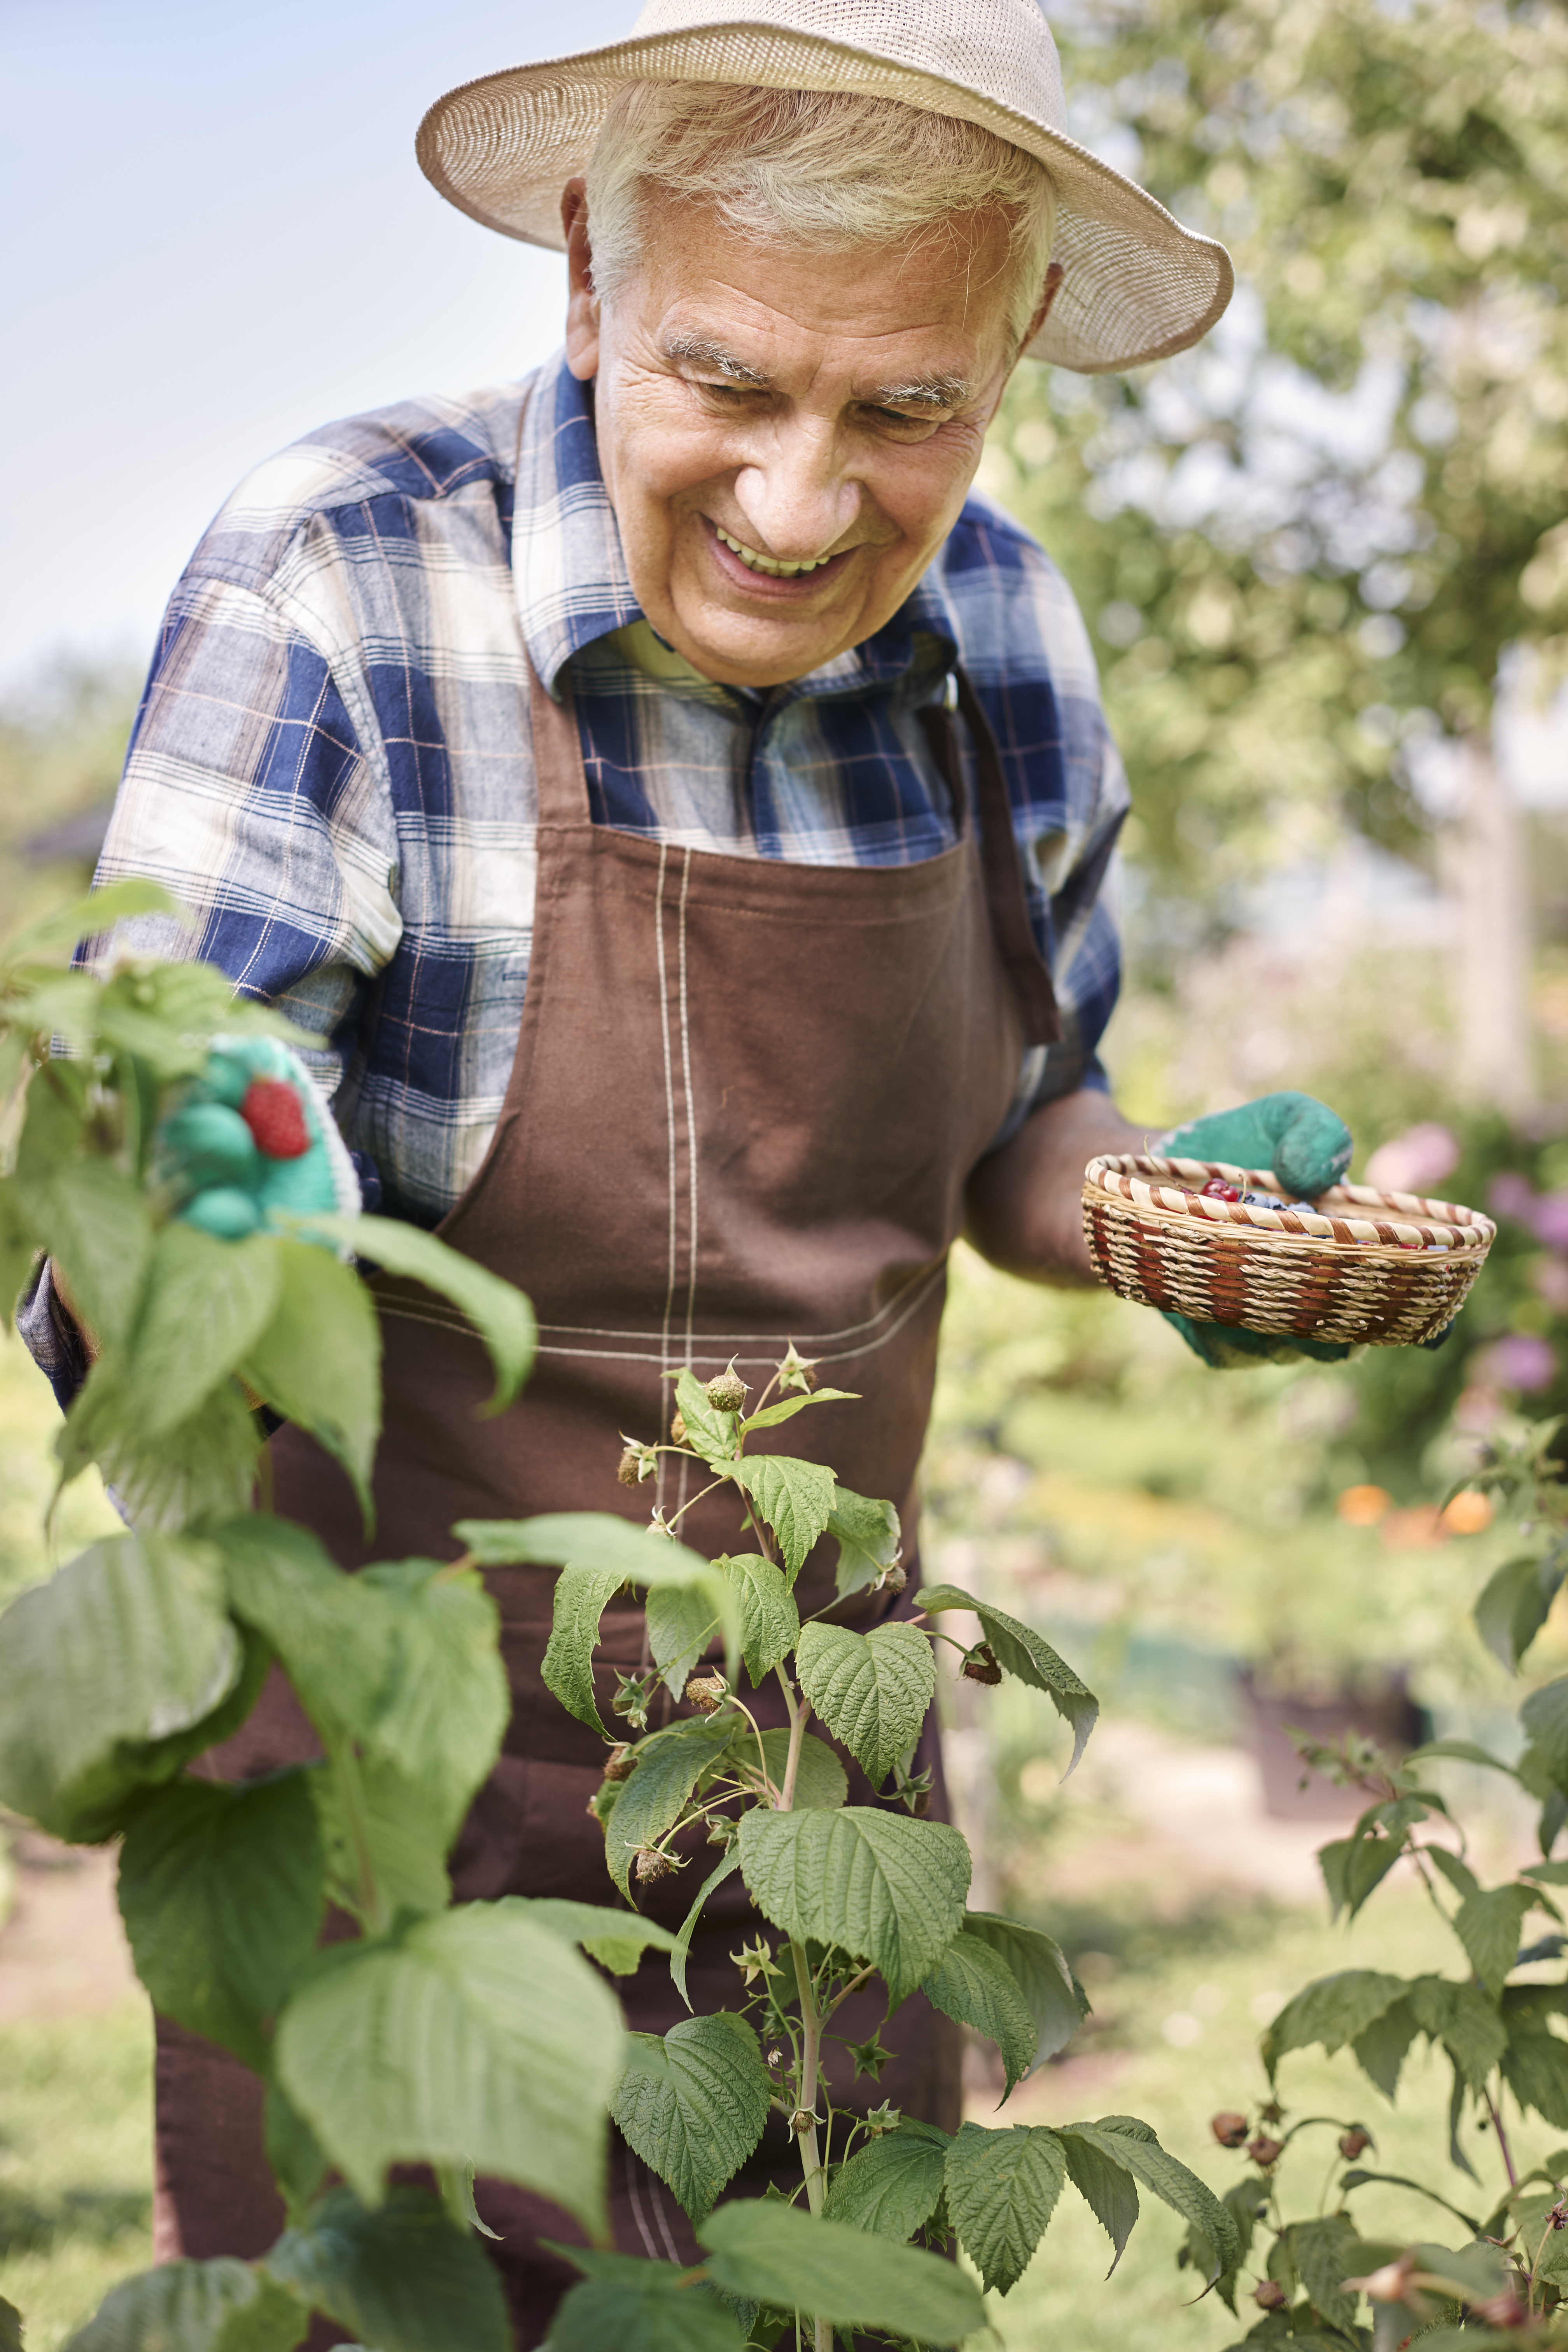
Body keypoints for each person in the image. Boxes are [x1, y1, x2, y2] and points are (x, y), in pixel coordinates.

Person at [22, 1, 1352, 2340]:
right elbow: (179, 1109)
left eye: (909, 407)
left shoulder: (1007, 638)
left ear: (1019, 342)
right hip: (393, 1813)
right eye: (727, 384)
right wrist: (210, 1182)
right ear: (583, 281)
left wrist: (1152, 1201)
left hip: (818, 1784)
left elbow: (1022, 1126)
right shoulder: (342, 573)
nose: (804, 501)